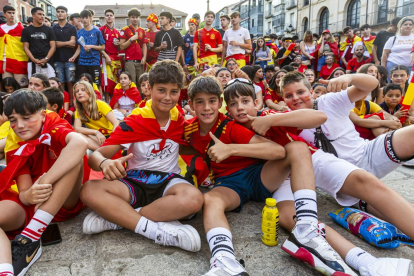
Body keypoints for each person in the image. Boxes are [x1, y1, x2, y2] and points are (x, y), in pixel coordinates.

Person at [185, 76, 349, 275]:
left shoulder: (231, 126)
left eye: (212, 101)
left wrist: (230, 149)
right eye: (199, 102)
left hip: (259, 176)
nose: (207, 107)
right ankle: (224, 259)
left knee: (297, 147)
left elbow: (278, 152)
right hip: (229, 185)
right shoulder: (188, 129)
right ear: (191, 106)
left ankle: (307, 227)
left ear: (220, 105)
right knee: (210, 199)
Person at [255, 72, 414, 276]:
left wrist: (350, 77)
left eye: (301, 92)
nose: (295, 98)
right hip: (342, 176)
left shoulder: (328, 101)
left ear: (311, 91)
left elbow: (371, 84)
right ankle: (363, 221)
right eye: (288, 95)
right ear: (282, 98)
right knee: (374, 196)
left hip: (366, 155)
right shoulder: (286, 118)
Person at [79, 60, 203, 254]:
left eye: (174, 91)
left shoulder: (179, 118)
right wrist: (105, 163)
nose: (168, 97)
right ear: (149, 89)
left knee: (194, 200)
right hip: (135, 181)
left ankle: (119, 218)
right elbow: (96, 156)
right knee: (88, 190)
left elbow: (186, 147)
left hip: (168, 182)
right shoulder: (135, 120)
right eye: (161, 90)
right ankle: (157, 232)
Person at [0, 90, 87, 276]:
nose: (19, 125)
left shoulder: (53, 123)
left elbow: (79, 143)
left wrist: (46, 180)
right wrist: (28, 194)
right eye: (13, 120)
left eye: (25, 117)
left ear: (42, 113)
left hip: (62, 199)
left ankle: (32, 235)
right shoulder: (13, 141)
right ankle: (5, 270)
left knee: (72, 155)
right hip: (30, 204)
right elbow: (23, 192)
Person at [73, 81, 119, 151]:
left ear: (90, 92)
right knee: (78, 136)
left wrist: (112, 138)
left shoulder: (100, 104)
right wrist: (96, 132)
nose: (79, 93)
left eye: (83, 90)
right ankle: (104, 151)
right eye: (77, 91)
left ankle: (105, 151)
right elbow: (77, 128)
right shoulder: (78, 111)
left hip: (112, 135)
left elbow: (116, 123)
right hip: (98, 137)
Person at [70, 10, 105, 94]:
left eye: (86, 17)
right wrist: (73, 57)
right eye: (83, 18)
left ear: (91, 18)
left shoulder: (97, 31)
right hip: (82, 62)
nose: (84, 20)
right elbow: (79, 48)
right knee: (82, 84)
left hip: (94, 62)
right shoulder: (79, 32)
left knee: (96, 84)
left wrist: (91, 46)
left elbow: (102, 47)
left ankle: (98, 102)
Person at [21, 7, 56, 79]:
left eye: (43, 14)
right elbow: (25, 47)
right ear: (33, 16)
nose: (42, 16)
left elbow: (53, 46)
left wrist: (46, 59)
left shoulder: (49, 29)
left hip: (48, 62)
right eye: (39, 14)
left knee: (50, 84)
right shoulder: (26, 30)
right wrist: (33, 59)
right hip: (32, 62)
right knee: (33, 85)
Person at [52, 6, 76, 106]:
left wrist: (59, 43)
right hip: (57, 59)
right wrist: (67, 42)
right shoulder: (52, 28)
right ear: (56, 14)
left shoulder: (71, 28)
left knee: (70, 83)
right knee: (60, 83)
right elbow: (53, 44)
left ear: (66, 14)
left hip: (70, 59)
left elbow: (73, 43)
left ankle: (71, 104)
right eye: (58, 12)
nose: (60, 13)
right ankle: (62, 104)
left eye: (62, 12)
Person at [0, 5, 28, 88]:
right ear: (4, 14)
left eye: (13, 13)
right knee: (8, 85)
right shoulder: (1, 28)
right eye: (9, 13)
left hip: (18, 60)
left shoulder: (21, 28)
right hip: (4, 61)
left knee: (22, 84)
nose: (12, 15)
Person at [119, 8, 147, 86]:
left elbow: (144, 45)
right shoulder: (125, 29)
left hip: (140, 61)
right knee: (132, 83)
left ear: (139, 18)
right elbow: (122, 46)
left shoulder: (142, 30)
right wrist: (131, 39)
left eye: (137, 17)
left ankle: (141, 98)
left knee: (141, 83)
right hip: (129, 61)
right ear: (129, 18)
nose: (135, 19)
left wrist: (144, 57)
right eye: (133, 17)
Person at [100, 9, 122, 101]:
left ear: (114, 17)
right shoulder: (101, 30)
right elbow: (99, 46)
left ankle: (114, 102)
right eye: (107, 15)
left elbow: (120, 49)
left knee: (116, 81)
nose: (109, 17)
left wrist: (118, 45)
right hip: (106, 58)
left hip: (116, 59)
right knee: (107, 82)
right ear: (105, 17)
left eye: (111, 15)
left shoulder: (117, 32)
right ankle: (107, 102)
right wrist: (106, 56)